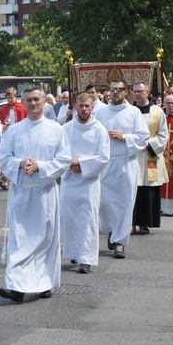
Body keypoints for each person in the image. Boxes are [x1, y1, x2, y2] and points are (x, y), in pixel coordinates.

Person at [0, 86, 70, 302]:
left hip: (44, 192)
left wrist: (40, 166)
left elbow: (64, 159)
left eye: (36, 99)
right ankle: (16, 287)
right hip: (21, 192)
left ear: (44, 102)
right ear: (23, 102)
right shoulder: (14, 131)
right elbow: (3, 158)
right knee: (19, 240)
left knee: (45, 240)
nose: (33, 103)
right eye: (28, 100)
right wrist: (20, 163)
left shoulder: (56, 129)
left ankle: (43, 283)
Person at [94, 79, 149, 259]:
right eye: (112, 89)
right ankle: (111, 231)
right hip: (105, 163)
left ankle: (120, 242)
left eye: (119, 89)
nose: (115, 92)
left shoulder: (133, 112)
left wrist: (124, 137)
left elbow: (143, 137)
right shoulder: (100, 111)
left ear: (126, 92)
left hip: (126, 162)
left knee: (125, 203)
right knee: (104, 203)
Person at [60, 93, 110, 274]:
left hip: (89, 181)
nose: (84, 109)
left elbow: (103, 157)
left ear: (92, 107)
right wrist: (70, 164)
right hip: (69, 179)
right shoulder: (66, 129)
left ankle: (87, 258)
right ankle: (73, 252)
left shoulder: (99, 130)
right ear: (75, 106)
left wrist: (80, 163)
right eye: (80, 106)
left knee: (88, 219)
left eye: (87, 106)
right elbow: (59, 153)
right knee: (69, 218)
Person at [131, 82, 169, 235]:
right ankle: (131, 223)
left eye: (140, 91)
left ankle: (145, 222)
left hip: (149, 154)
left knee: (148, 189)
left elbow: (163, 134)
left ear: (147, 92)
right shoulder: (129, 111)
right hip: (133, 154)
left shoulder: (157, 112)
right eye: (135, 91)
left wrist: (148, 144)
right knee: (133, 189)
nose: (138, 94)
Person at [0, 87, 26, 190]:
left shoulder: (21, 107)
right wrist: (2, 126)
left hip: (19, 134)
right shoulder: (4, 109)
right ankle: (4, 179)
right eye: (8, 98)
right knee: (6, 155)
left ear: (15, 97)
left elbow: (25, 119)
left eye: (11, 97)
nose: (9, 100)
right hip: (7, 134)